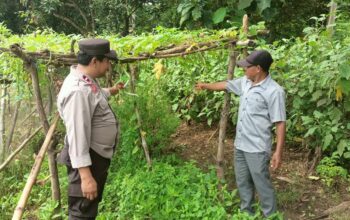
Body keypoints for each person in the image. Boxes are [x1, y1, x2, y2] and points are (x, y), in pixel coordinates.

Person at [195, 50, 286, 217]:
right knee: (243, 183)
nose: (243, 69)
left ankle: (270, 215)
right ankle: (246, 214)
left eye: (247, 66)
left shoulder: (274, 91)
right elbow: (226, 85)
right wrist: (205, 85)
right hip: (240, 145)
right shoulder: (245, 82)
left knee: (262, 185)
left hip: (257, 148)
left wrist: (278, 153)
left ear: (258, 68)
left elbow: (280, 123)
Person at [57, 39, 124, 219]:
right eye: (107, 61)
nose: (109, 65)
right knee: (82, 213)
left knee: (89, 209)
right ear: (95, 61)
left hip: (94, 159)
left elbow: (95, 94)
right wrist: (86, 177)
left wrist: (112, 90)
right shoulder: (78, 91)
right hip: (87, 162)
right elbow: (78, 136)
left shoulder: (85, 80)